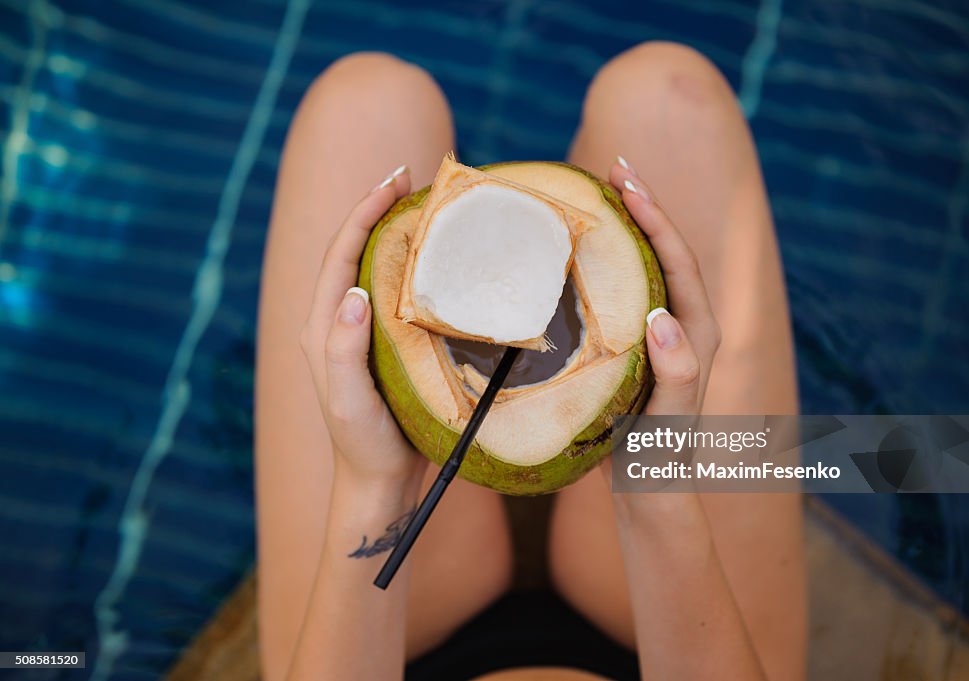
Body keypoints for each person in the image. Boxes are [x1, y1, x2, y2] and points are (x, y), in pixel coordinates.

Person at [255, 42, 806, 681]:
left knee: (360, 100)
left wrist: (374, 486)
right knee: (669, 93)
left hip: (394, 647)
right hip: (683, 637)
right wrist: (658, 487)